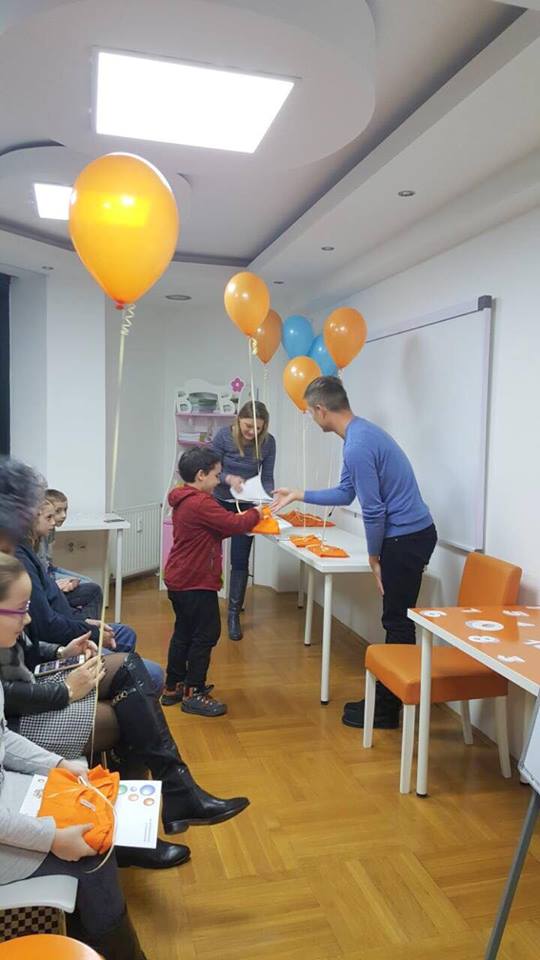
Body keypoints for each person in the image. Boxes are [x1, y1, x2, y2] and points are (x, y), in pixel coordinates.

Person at [0, 552, 147, 959]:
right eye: (20, 610)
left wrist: (59, 766)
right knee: (94, 856)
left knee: (91, 815)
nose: (28, 619)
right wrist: (52, 838)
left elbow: (4, 738)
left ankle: (86, 937)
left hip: (9, 796)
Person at [272, 376, 437, 730]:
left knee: (397, 621)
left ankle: (388, 710)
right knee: (396, 618)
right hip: (409, 535)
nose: (312, 418)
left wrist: (374, 557)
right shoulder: (359, 435)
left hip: (406, 539)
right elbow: (346, 493)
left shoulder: (358, 445)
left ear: (321, 409)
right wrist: (299, 494)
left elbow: (374, 510)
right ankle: (389, 701)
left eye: (310, 412)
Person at [16, 498, 164, 695]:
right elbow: (46, 626)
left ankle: (122, 688)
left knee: (125, 633)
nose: (55, 521)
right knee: (153, 675)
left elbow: (49, 614)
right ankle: (122, 685)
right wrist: (91, 633)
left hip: (58, 641)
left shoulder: (28, 550)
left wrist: (84, 623)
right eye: (49, 516)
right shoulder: (19, 560)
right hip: (55, 648)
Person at [162, 447, 263, 716]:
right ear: (201, 475)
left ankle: (173, 686)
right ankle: (194, 692)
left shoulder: (185, 498)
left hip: (181, 578)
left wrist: (240, 520)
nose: (219, 480)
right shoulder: (200, 503)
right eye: (216, 475)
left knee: (184, 632)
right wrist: (258, 512)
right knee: (206, 634)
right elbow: (234, 525)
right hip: (195, 581)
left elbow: (213, 530)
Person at [212, 401, 276, 640]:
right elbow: (211, 471)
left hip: (247, 505)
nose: (252, 432)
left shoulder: (268, 442)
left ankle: (233, 615)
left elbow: (267, 477)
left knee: (240, 559)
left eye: (258, 428)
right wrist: (229, 479)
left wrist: (268, 499)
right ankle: (208, 607)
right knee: (209, 554)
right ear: (238, 420)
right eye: (248, 426)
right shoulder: (223, 436)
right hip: (219, 501)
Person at [35, 493, 102, 619]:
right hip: (46, 577)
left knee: (90, 583)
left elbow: (47, 562)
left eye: (65, 510)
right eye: (58, 511)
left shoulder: (50, 530)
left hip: (49, 570)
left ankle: (79, 618)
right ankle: (80, 622)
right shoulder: (35, 538)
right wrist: (55, 584)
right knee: (92, 590)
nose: (63, 515)